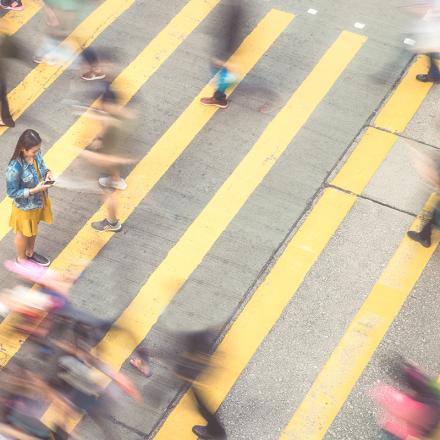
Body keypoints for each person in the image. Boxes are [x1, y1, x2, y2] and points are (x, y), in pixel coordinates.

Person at [6, 129, 54, 267]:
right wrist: (34, 190)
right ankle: (21, 260)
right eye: (34, 151)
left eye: (38, 150)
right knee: (23, 233)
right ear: (23, 149)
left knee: (33, 229)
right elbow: (12, 192)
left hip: (39, 201)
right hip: (25, 207)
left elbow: (43, 168)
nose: (37, 153)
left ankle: (30, 253)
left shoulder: (36, 156)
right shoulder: (14, 168)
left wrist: (48, 173)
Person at [200, 0, 244, 109]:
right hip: (227, 43)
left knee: (220, 69)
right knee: (221, 68)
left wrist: (223, 57)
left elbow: (230, 29)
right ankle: (220, 95)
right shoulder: (235, 5)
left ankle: (219, 98)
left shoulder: (233, 7)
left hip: (225, 45)